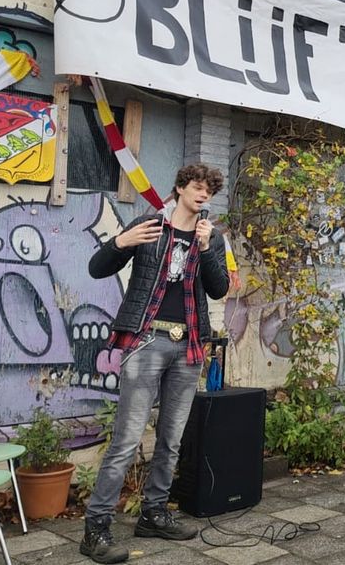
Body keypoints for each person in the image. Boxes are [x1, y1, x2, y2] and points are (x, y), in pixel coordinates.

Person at [82, 165, 231, 564]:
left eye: (209, 191)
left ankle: (154, 513)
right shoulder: (148, 226)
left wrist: (205, 249)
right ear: (180, 187)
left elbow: (219, 288)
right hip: (146, 340)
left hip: (189, 347)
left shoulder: (210, 236)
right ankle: (96, 528)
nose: (203, 196)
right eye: (197, 188)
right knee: (127, 440)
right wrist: (121, 241)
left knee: (171, 439)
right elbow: (97, 269)